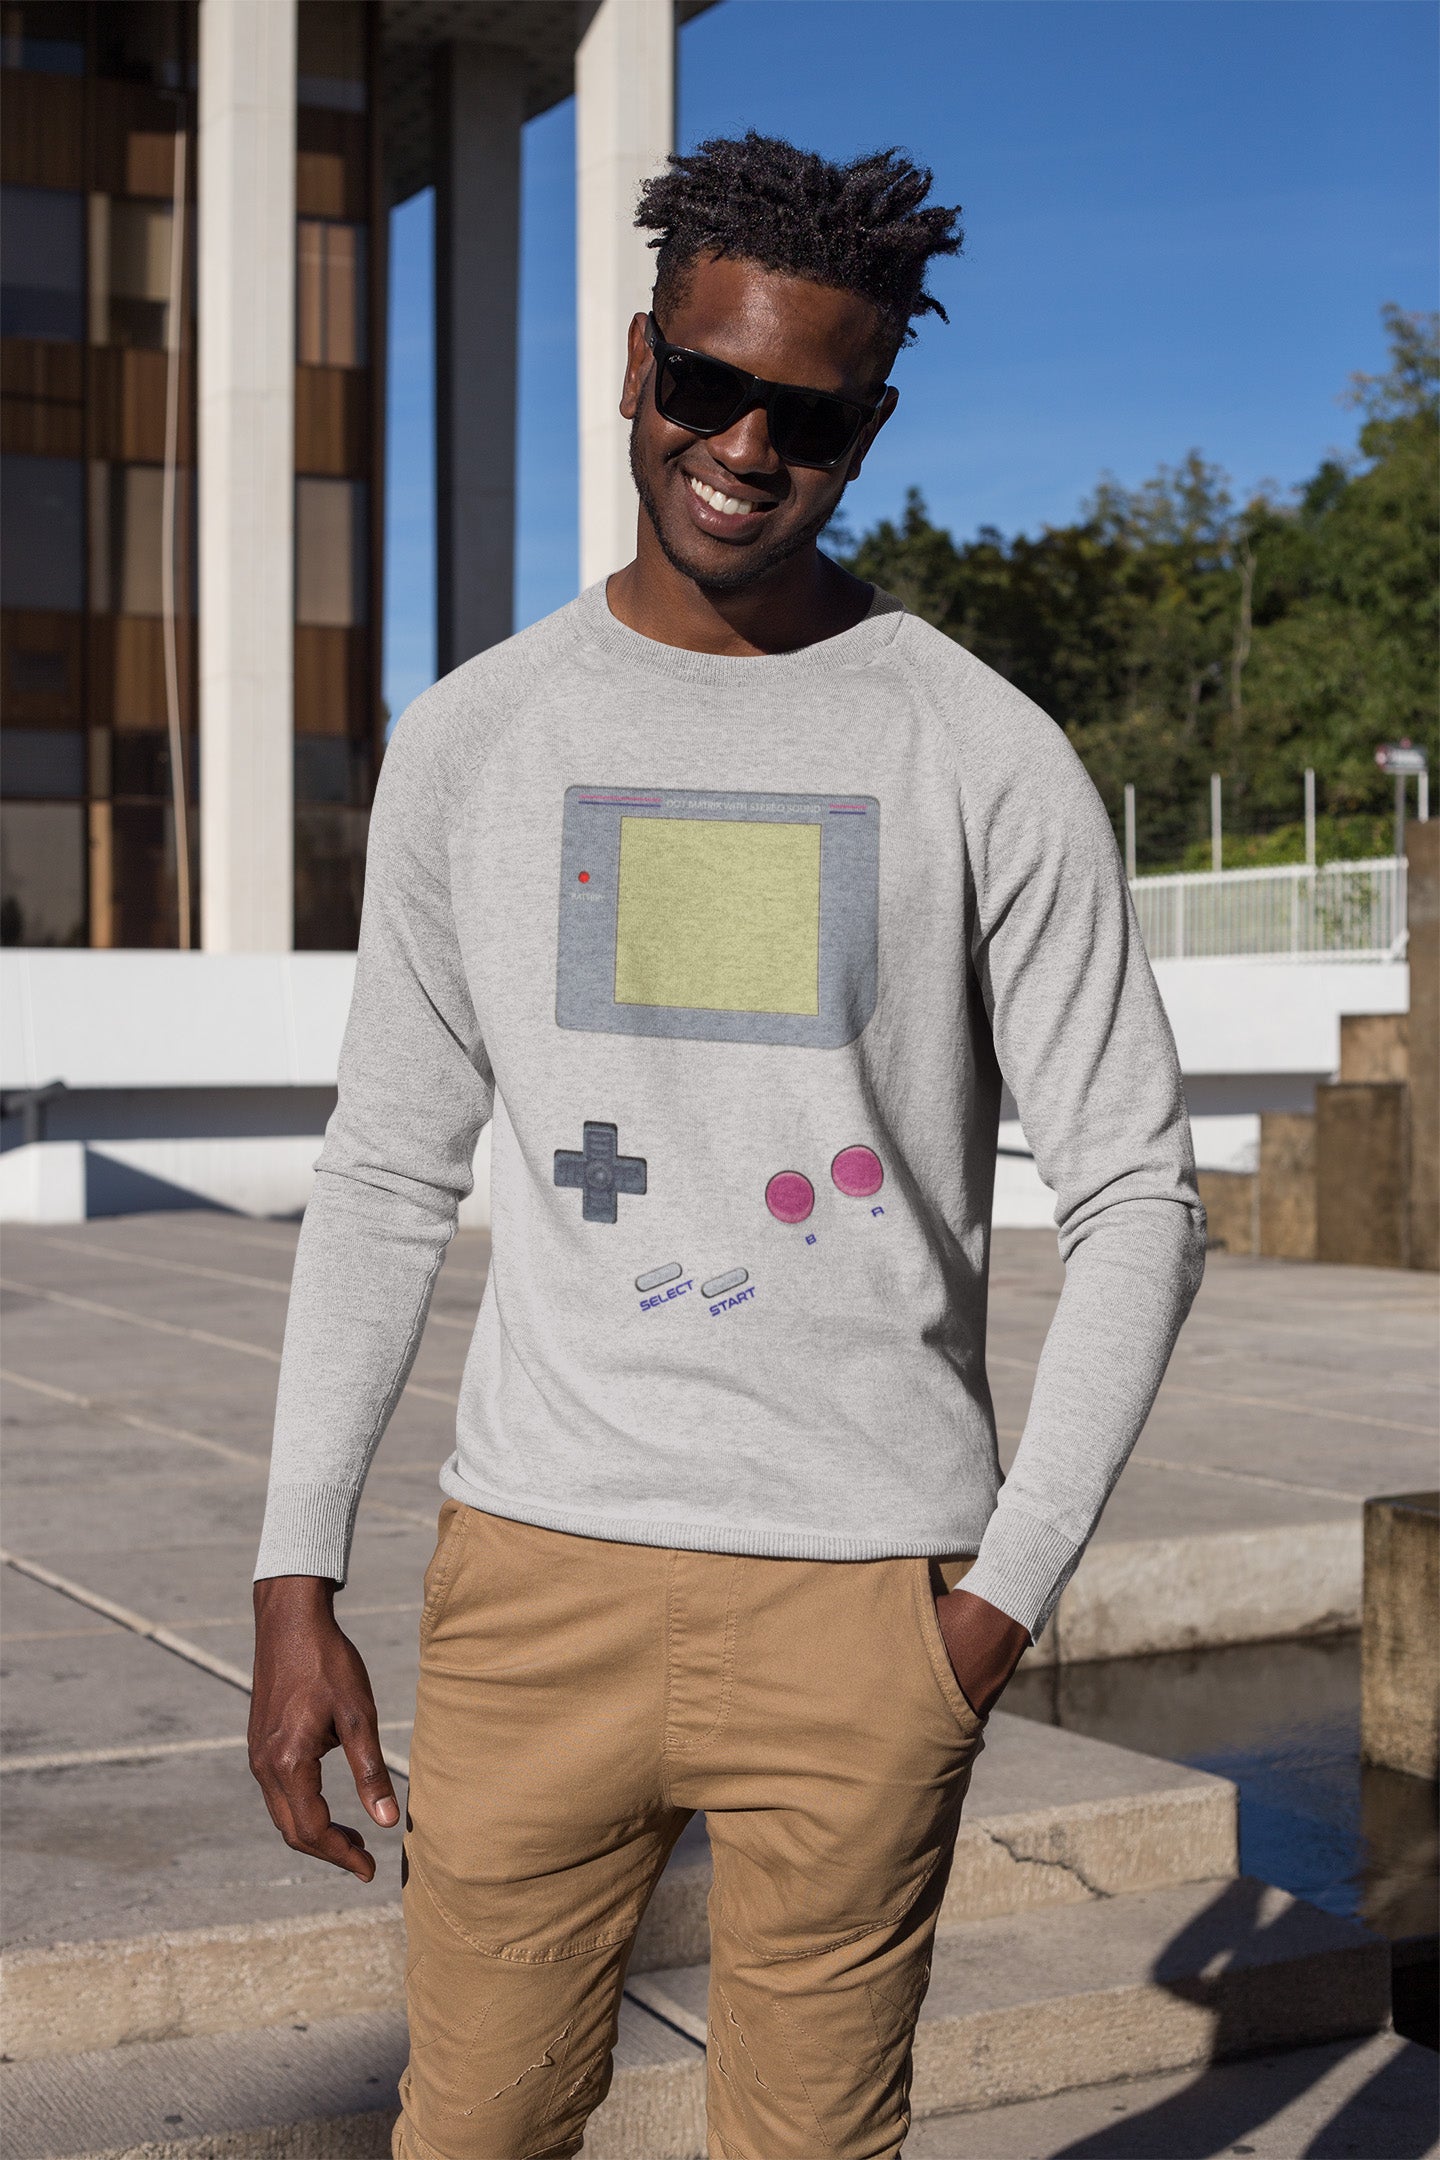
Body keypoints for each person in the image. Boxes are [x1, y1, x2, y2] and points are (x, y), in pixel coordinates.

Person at [249, 132, 1205, 2160]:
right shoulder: (477, 739)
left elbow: (1137, 1190)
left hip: (869, 1601)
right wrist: (292, 1569)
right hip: (536, 1582)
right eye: (709, 383)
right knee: (472, 2131)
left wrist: (995, 1604)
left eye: (811, 415)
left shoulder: (981, 754)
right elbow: (389, 1167)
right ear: (637, 364)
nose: (748, 447)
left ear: (869, 429)